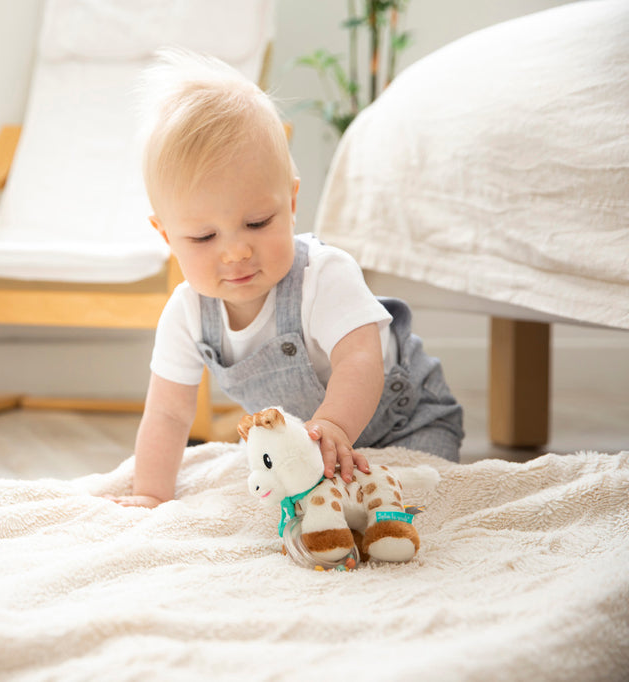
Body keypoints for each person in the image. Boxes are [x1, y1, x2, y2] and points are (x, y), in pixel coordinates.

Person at [107, 49, 463, 508]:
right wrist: (151, 494)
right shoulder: (187, 313)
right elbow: (168, 413)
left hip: (406, 421)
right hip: (305, 448)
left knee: (416, 494)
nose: (236, 251)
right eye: (203, 236)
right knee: (301, 501)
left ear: (291, 202)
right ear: (167, 235)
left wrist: (333, 426)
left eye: (257, 223)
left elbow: (360, 361)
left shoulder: (322, 275)